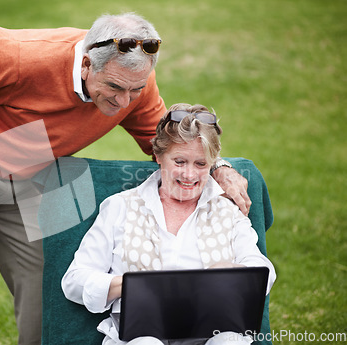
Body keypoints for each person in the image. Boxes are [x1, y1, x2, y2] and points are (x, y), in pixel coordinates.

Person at [0, 12, 249, 345]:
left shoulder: (134, 86)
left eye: (134, 90)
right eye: (114, 86)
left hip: (27, 167)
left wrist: (220, 167)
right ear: (86, 64)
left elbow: (163, 140)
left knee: (47, 283)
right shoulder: (21, 56)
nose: (123, 100)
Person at [61, 103, 276, 345]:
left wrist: (232, 272)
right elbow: (74, 280)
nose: (189, 175)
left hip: (213, 330)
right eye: (180, 161)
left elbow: (263, 271)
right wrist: (128, 285)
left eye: (201, 164)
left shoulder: (226, 210)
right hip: (142, 335)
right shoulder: (121, 206)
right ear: (159, 156)